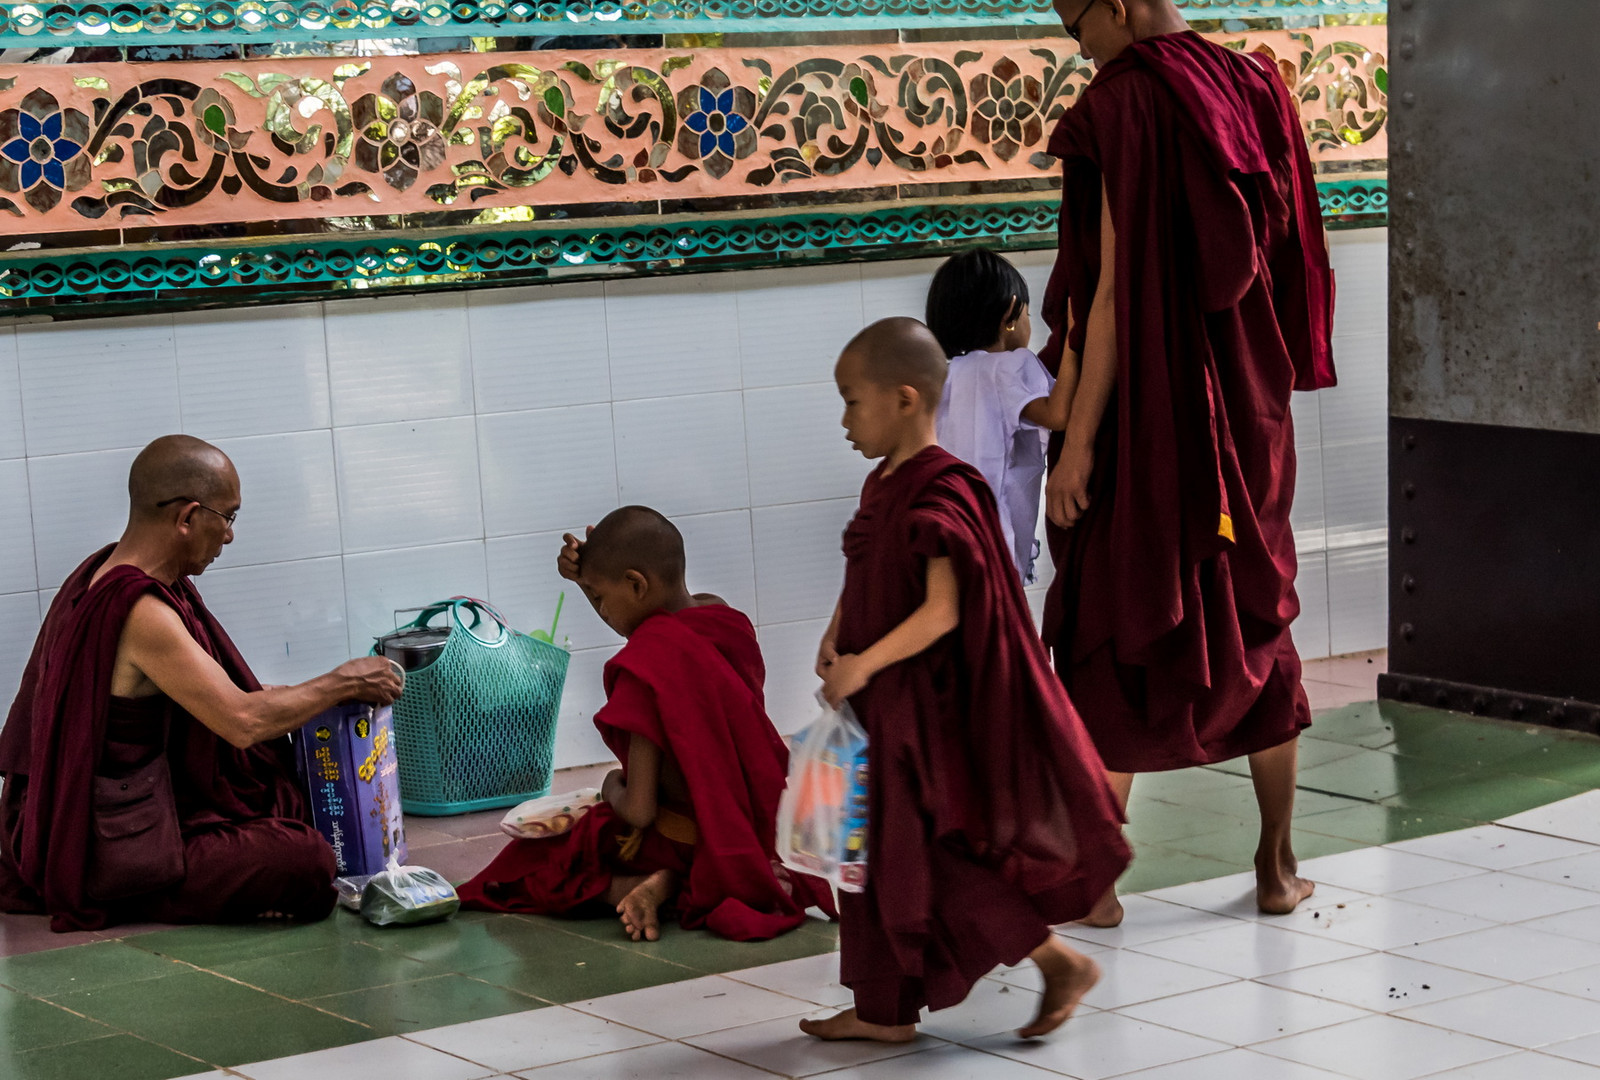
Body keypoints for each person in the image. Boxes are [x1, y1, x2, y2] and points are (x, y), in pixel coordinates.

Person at [1038, 0, 1338, 925]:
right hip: (1249, 414)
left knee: (1117, 615)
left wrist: (1077, 441)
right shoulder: (1252, 84)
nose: (1074, 44)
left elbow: (1110, 297)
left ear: (1118, 7)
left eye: (1073, 21)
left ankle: (1095, 886)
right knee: (1255, 616)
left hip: (1148, 417)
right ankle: (1277, 868)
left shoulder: (1123, 107)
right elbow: (1293, 258)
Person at [801, 318, 1131, 1044]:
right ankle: (883, 1010)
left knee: (926, 860)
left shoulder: (945, 489)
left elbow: (945, 612)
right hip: (876, 706)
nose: (846, 420)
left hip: (923, 712)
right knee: (874, 854)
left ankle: (1057, 961)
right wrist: (835, 633)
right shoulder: (879, 480)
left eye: (854, 402)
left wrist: (865, 660)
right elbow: (866, 567)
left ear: (907, 399)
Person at [0, 435, 404, 933]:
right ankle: (129, 888)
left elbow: (220, 698)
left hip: (128, 803)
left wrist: (308, 695)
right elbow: (241, 721)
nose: (230, 536)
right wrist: (342, 682)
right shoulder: (139, 611)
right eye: (228, 518)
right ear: (187, 517)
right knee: (306, 859)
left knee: (295, 798)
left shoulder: (99, 574)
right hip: (116, 836)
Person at [458, 506, 836, 942]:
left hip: (680, 840)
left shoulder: (647, 668)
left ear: (636, 584)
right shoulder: (726, 620)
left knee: (542, 867)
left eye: (599, 598)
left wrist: (609, 786)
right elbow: (653, 627)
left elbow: (640, 810)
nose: (600, 609)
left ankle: (654, 884)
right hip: (749, 828)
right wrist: (590, 579)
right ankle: (680, 881)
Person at [926, 248, 1077, 585]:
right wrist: (1073, 339)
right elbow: (1058, 414)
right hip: (991, 534)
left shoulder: (942, 376)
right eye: (1025, 315)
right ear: (1010, 315)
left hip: (945, 528)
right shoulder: (1010, 366)